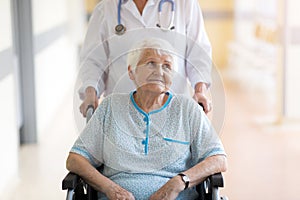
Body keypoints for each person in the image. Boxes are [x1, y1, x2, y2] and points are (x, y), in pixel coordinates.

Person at [67, 38, 227, 200]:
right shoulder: (111, 106)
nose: (159, 71)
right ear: (131, 71)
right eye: (151, 63)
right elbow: (75, 159)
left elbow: (218, 159)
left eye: (167, 66)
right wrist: (110, 188)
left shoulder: (187, 109)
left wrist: (177, 183)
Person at [78, 0, 213, 117]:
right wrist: (91, 92)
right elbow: (93, 60)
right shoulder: (106, 8)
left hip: (173, 111)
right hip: (121, 113)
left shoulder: (185, 4)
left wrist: (200, 90)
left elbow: (198, 54)